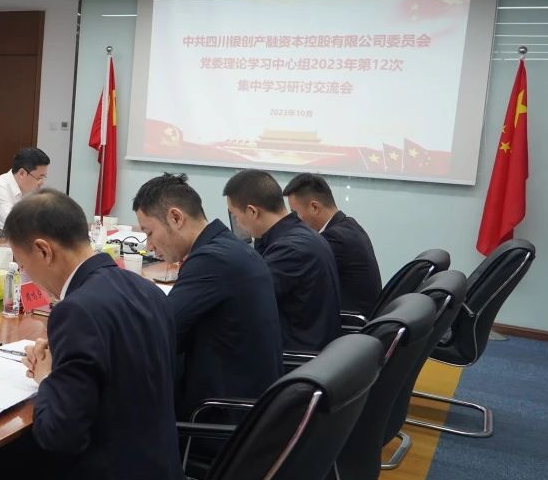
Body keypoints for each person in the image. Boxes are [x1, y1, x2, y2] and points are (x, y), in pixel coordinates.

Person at [0, 189, 189, 480]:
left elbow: (59, 434)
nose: (27, 276)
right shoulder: (144, 288)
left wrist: (48, 379)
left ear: (43, 250)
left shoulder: (77, 310)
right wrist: (63, 361)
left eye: (23, 265)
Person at [132, 173, 281, 417]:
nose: (149, 246)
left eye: (149, 233)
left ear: (176, 218)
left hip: (220, 413)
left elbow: (160, 330)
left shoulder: (212, 260)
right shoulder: (227, 246)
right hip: (247, 400)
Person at [224, 169, 341, 352]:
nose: (237, 223)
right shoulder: (298, 234)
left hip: (295, 354)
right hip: (311, 342)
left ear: (252, 212)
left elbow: (245, 299)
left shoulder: (290, 250)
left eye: (235, 216)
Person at [283, 172, 383, 318]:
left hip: (349, 323)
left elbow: (296, 278)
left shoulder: (335, 239)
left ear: (314, 207)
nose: (294, 220)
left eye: (295, 213)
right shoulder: (348, 225)